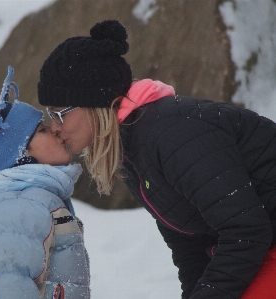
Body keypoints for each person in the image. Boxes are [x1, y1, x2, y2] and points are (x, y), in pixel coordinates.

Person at [37, 20, 276, 299]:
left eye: (59, 113)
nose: (54, 126)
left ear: (93, 101)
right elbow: (188, 246)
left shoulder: (171, 134)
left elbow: (246, 230)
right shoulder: (133, 150)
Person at [0, 66, 90, 299]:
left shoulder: (30, 200)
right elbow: (10, 287)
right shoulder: (21, 207)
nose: (55, 131)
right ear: (21, 154)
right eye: (43, 130)